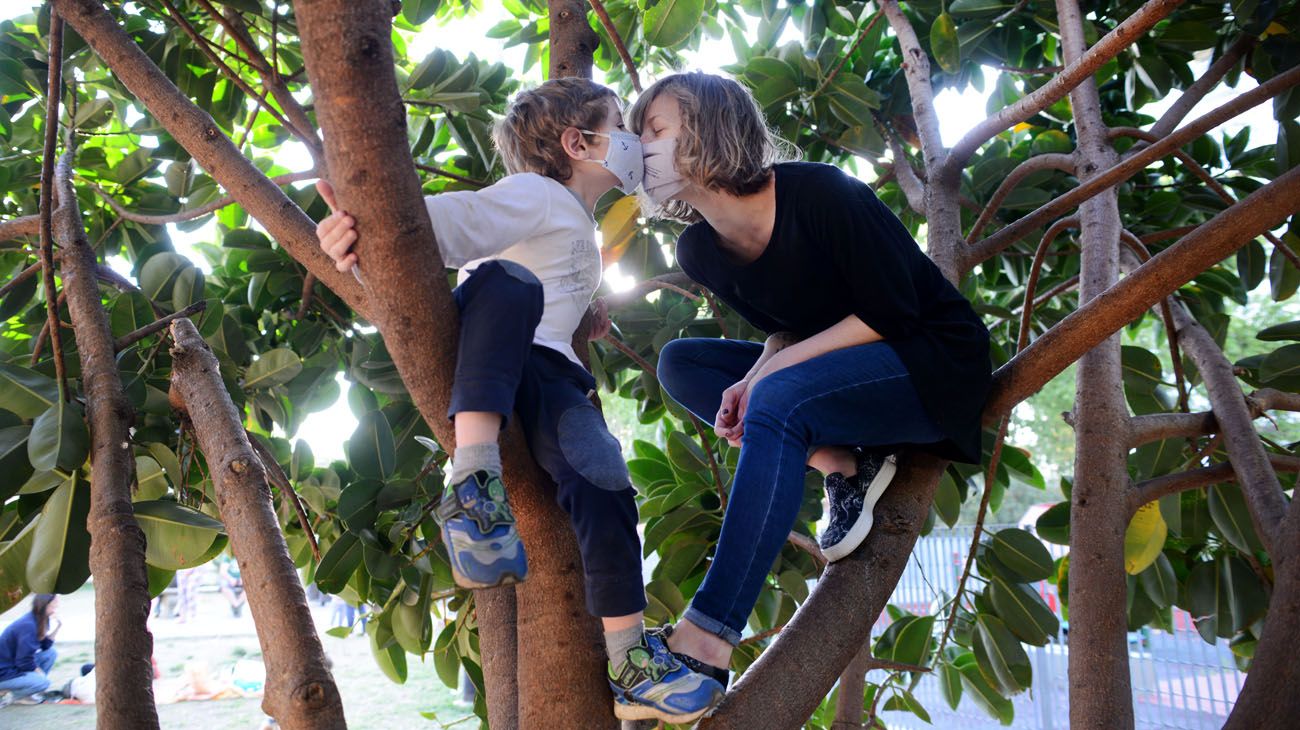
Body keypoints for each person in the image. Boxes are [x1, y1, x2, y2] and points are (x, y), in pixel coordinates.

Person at [315, 77, 724, 722]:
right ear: (579, 141)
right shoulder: (538, 193)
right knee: (510, 282)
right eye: (620, 125)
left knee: (607, 479)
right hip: (494, 354)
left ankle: (628, 660)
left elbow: (550, 289)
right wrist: (360, 230)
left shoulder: (575, 222)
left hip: (552, 377)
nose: (631, 140)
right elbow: (455, 224)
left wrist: (581, 315)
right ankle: (474, 481)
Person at [629, 72, 992, 685]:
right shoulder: (699, 250)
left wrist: (771, 378)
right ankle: (846, 468)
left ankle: (705, 643)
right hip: (837, 374)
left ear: (714, 126)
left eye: (658, 129)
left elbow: (890, 313)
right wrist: (754, 373)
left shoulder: (819, 192)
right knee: (683, 364)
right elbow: (786, 331)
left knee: (777, 392)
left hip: (928, 363)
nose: (644, 148)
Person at [0, 594, 61, 707]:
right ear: (44, 605)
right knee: (44, 682)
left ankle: (30, 688)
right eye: (53, 606)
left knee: (50, 654)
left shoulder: (40, 619)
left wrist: (57, 627)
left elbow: (44, 647)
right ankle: (17, 695)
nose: (55, 609)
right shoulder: (28, 625)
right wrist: (40, 674)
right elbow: (23, 661)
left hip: (14, 666)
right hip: (4, 672)